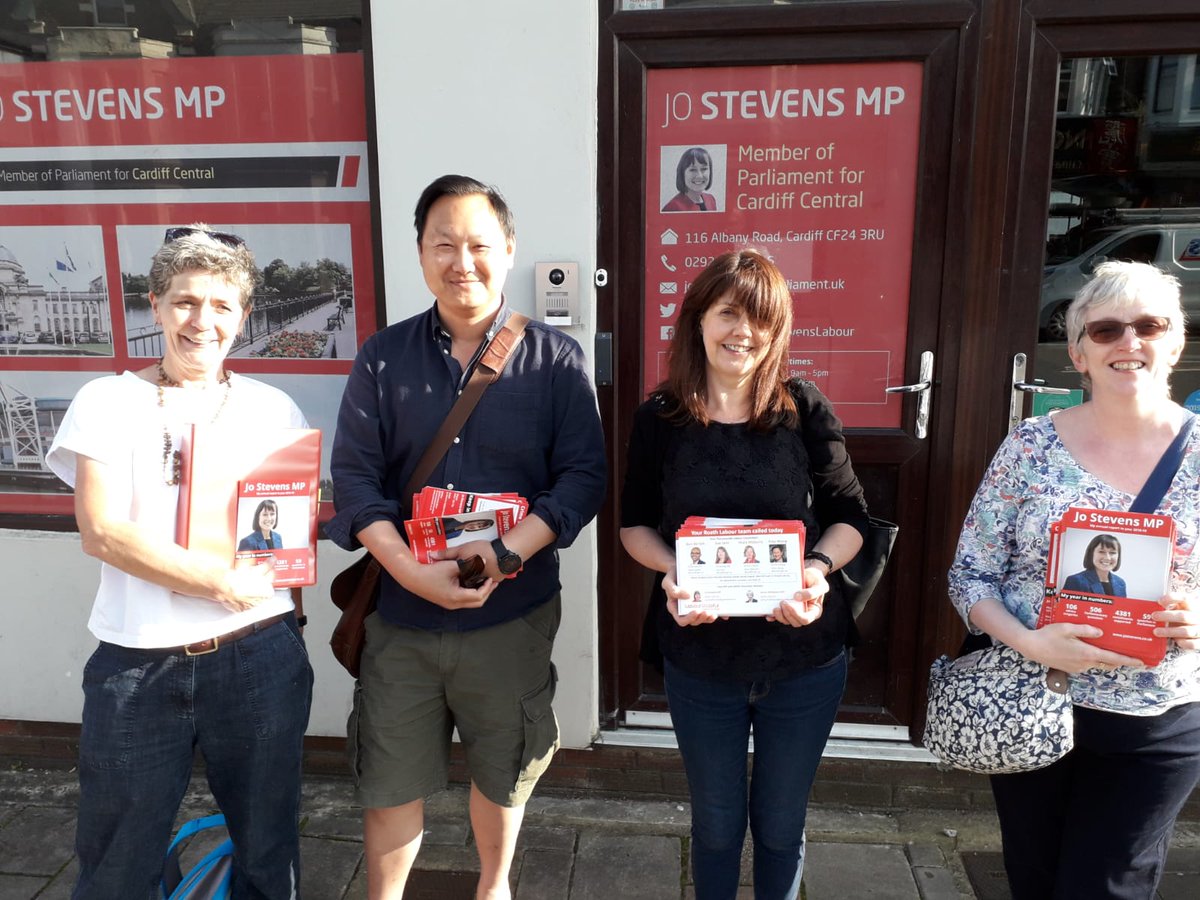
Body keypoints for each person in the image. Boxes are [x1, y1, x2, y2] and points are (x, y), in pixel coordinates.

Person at [329, 174, 606, 900]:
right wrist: (406, 570)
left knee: (503, 765)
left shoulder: (555, 362)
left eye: (479, 244)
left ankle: (493, 885)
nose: (462, 262)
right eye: (442, 244)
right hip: (402, 616)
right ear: (419, 252)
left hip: (509, 614)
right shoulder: (381, 358)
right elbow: (354, 481)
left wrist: (510, 551)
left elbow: (581, 479)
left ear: (508, 249)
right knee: (389, 773)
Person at [46, 225, 313, 899]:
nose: (204, 320)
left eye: (222, 305)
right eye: (186, 302)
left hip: (258, 656)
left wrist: (282, 606)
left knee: (268, 844)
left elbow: (281, 532)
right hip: (138, 667)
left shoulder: (273, 408)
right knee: (117, 856)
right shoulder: (108, 402)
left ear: (243, 316)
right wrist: (218, 580)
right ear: (155, 305)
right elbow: (102, 531)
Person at [619, 249, 869, 900]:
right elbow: (634, 525)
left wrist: (816, 570)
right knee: (717, 828)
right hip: (702, 657)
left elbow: (851, 518)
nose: (744, 332)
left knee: (782, 829)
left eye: (761, 318)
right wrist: (675, 569)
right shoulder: (660, 418)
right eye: (729, 312)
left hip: (804, 659)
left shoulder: (803, 408)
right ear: (698, 318)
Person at [948, 261, 1200, 900]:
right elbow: (969, 574)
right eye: (1106, 329)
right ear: (1078, 353)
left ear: (1175, 341)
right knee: (1034, 879)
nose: (1128, 343)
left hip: (1157, 717)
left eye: (1148, 326)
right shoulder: (1030, 447)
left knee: (1107, 886)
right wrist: (1032, 643)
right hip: (1035, 701)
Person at [1062, 534, 1127, 597]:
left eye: (1112, 553)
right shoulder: (1075, 581)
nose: (1107, 558)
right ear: (1091, 554)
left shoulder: (1120, 583)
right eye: (1101, 552)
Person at [662, 147, 717, 213]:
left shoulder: (711, 200)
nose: (699, 176)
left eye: (704, 169)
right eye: (693, 170)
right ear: (682, 173)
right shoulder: (672, 208)